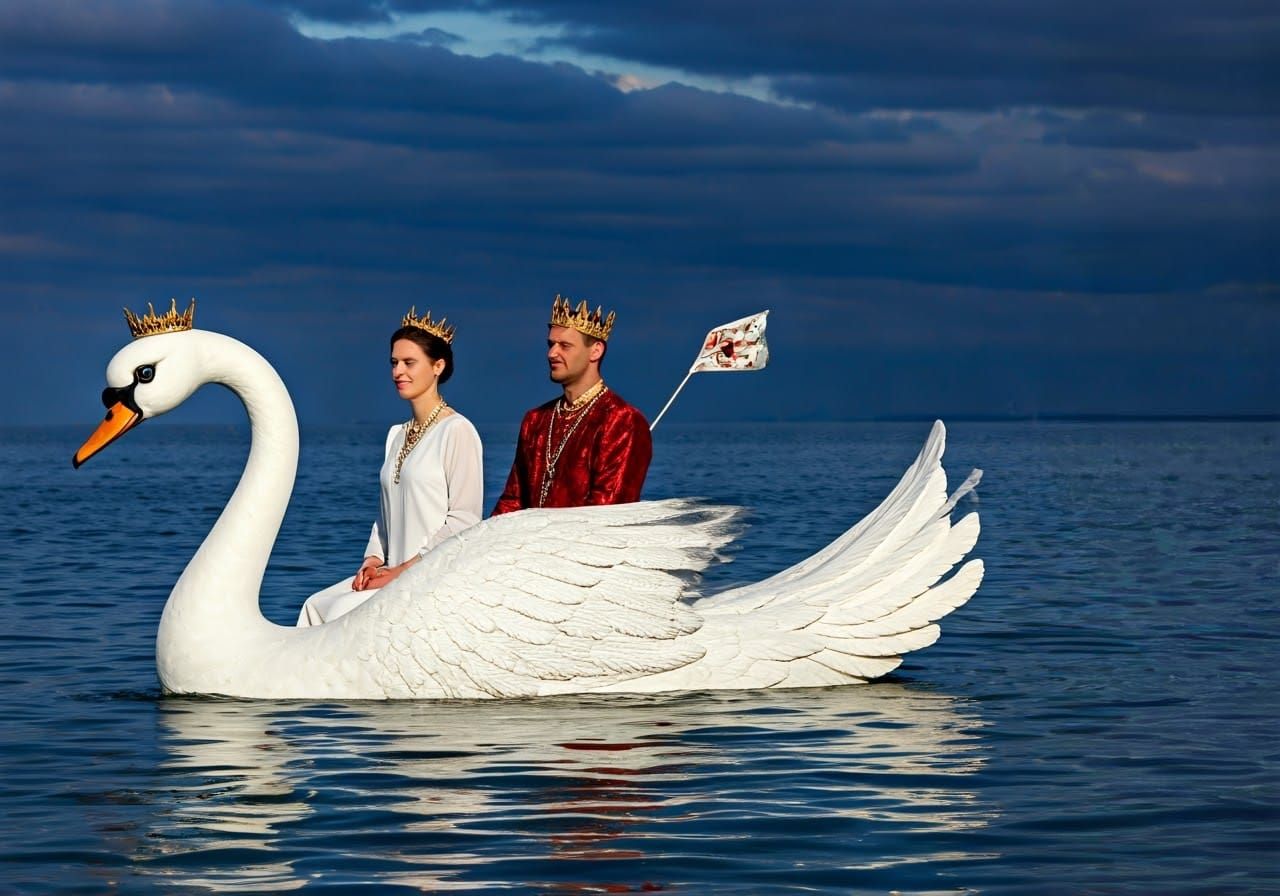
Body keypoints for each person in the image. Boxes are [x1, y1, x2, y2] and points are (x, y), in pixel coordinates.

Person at [297, 308, 484, 626]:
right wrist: (372, 560)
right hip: (390, 571)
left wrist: (402, 571)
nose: (398, 371)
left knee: (342, 615)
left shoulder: (457, 431)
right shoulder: (396, 435)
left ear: (438, 366)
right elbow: (383, 518)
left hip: (430, 576)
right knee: (315, 606)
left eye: (409, 363)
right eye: (394, 363)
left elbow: (464, 520)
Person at [492, 294, 651, 514]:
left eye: (564, 346)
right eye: (551, 344)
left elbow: (606, 512)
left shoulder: (622, 420)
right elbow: (513, 500)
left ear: (595, 351)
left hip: (584, 545)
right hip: (528, 545)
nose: (551, 353)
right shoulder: (536, 420)